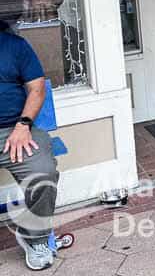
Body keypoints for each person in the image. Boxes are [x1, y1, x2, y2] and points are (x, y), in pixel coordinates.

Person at [0, 20, 59, 271]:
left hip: (15, 130)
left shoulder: (15, 46)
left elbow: (37, 88)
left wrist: (23, 125)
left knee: (43, 172)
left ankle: (33, 237)